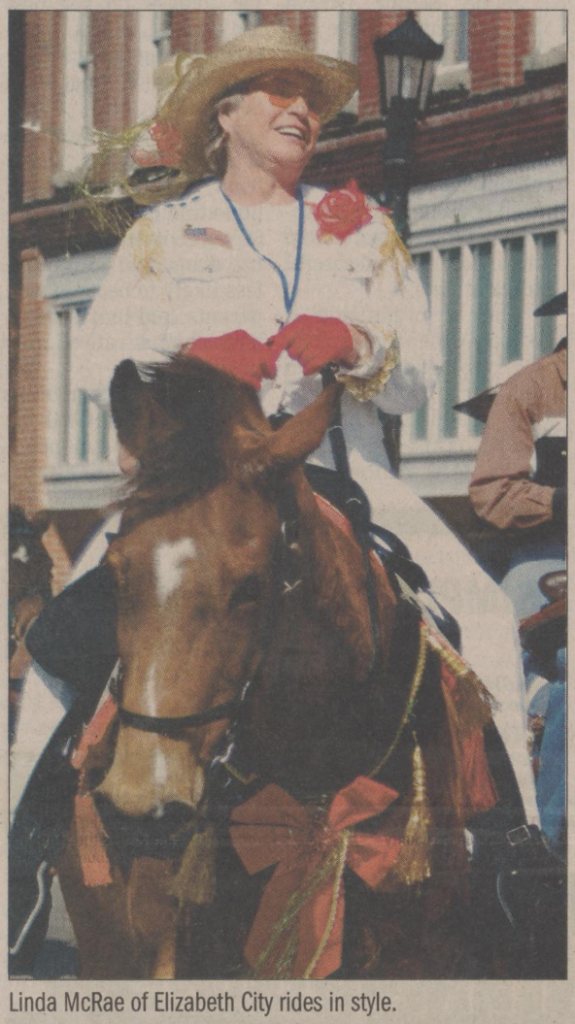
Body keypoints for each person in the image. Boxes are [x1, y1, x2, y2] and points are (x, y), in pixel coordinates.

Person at [12, 26, 538, 833]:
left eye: (311, 99)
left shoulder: (365, 230)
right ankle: (21, 862)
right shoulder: (163, 234)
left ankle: (515, 852)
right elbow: (95, 368)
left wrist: (356, 344)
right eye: (277, 93)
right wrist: (186, 354)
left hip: (345, 476)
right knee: (58, 641)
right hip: (200, 489)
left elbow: (419, 383)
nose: (300, 110)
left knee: (486, 621)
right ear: (225, 115)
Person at [469, 292, 566, 846]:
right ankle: (550, 845)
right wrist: (560, 502)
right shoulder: (529, 389)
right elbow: (491, 493)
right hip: (549, 554)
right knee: (497, 629)